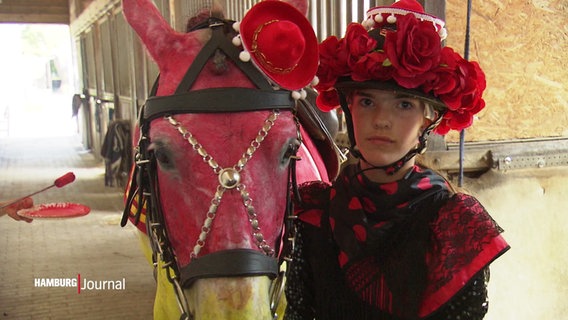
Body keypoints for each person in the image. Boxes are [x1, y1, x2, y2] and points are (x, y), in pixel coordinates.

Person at [284, 0, 509, 319]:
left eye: (403, 104)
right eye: (367, 101)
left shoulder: (453, 230)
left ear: (428, 118)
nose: (381, 120)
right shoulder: (313, 216)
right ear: (348, 107)